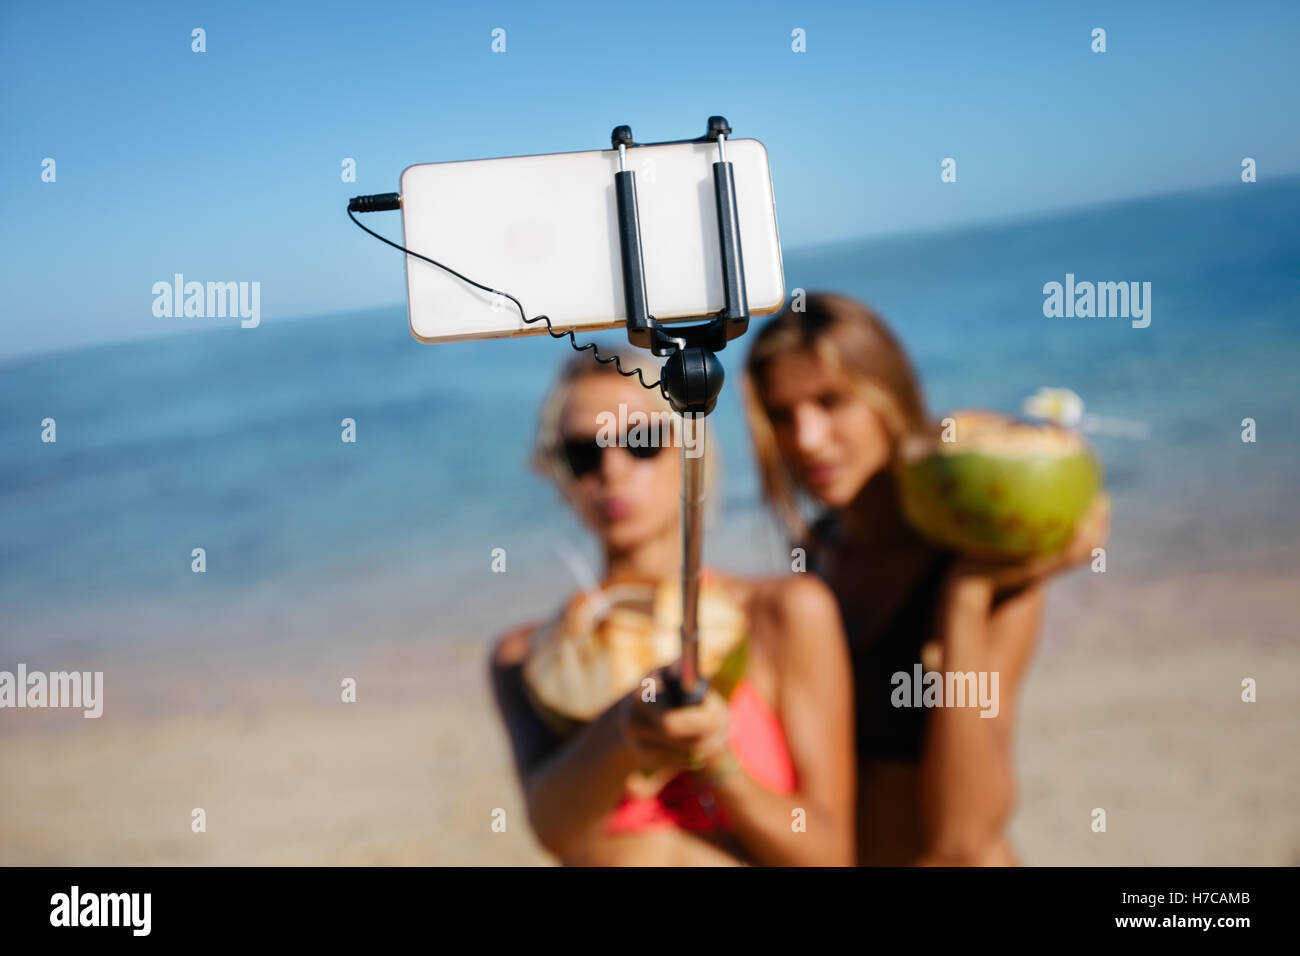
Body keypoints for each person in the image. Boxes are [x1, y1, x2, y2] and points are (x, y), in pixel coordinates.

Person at [743, 291, 1110, 865]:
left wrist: (964, 596)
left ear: (889, 397)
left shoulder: (979, 564)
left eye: (830, 401)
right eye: (783, 415)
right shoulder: (815, 557)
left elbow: (963, 836)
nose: (806, 439)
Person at [490, 350, 855, 866]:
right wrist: (622, 731)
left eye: (640, 441)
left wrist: (718, 759)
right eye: (582, 453)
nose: (612, 469)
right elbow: (553, 829)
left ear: (690, 447)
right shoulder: (526, 656)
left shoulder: (783, 612)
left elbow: (828, 853)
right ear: (558, 473)